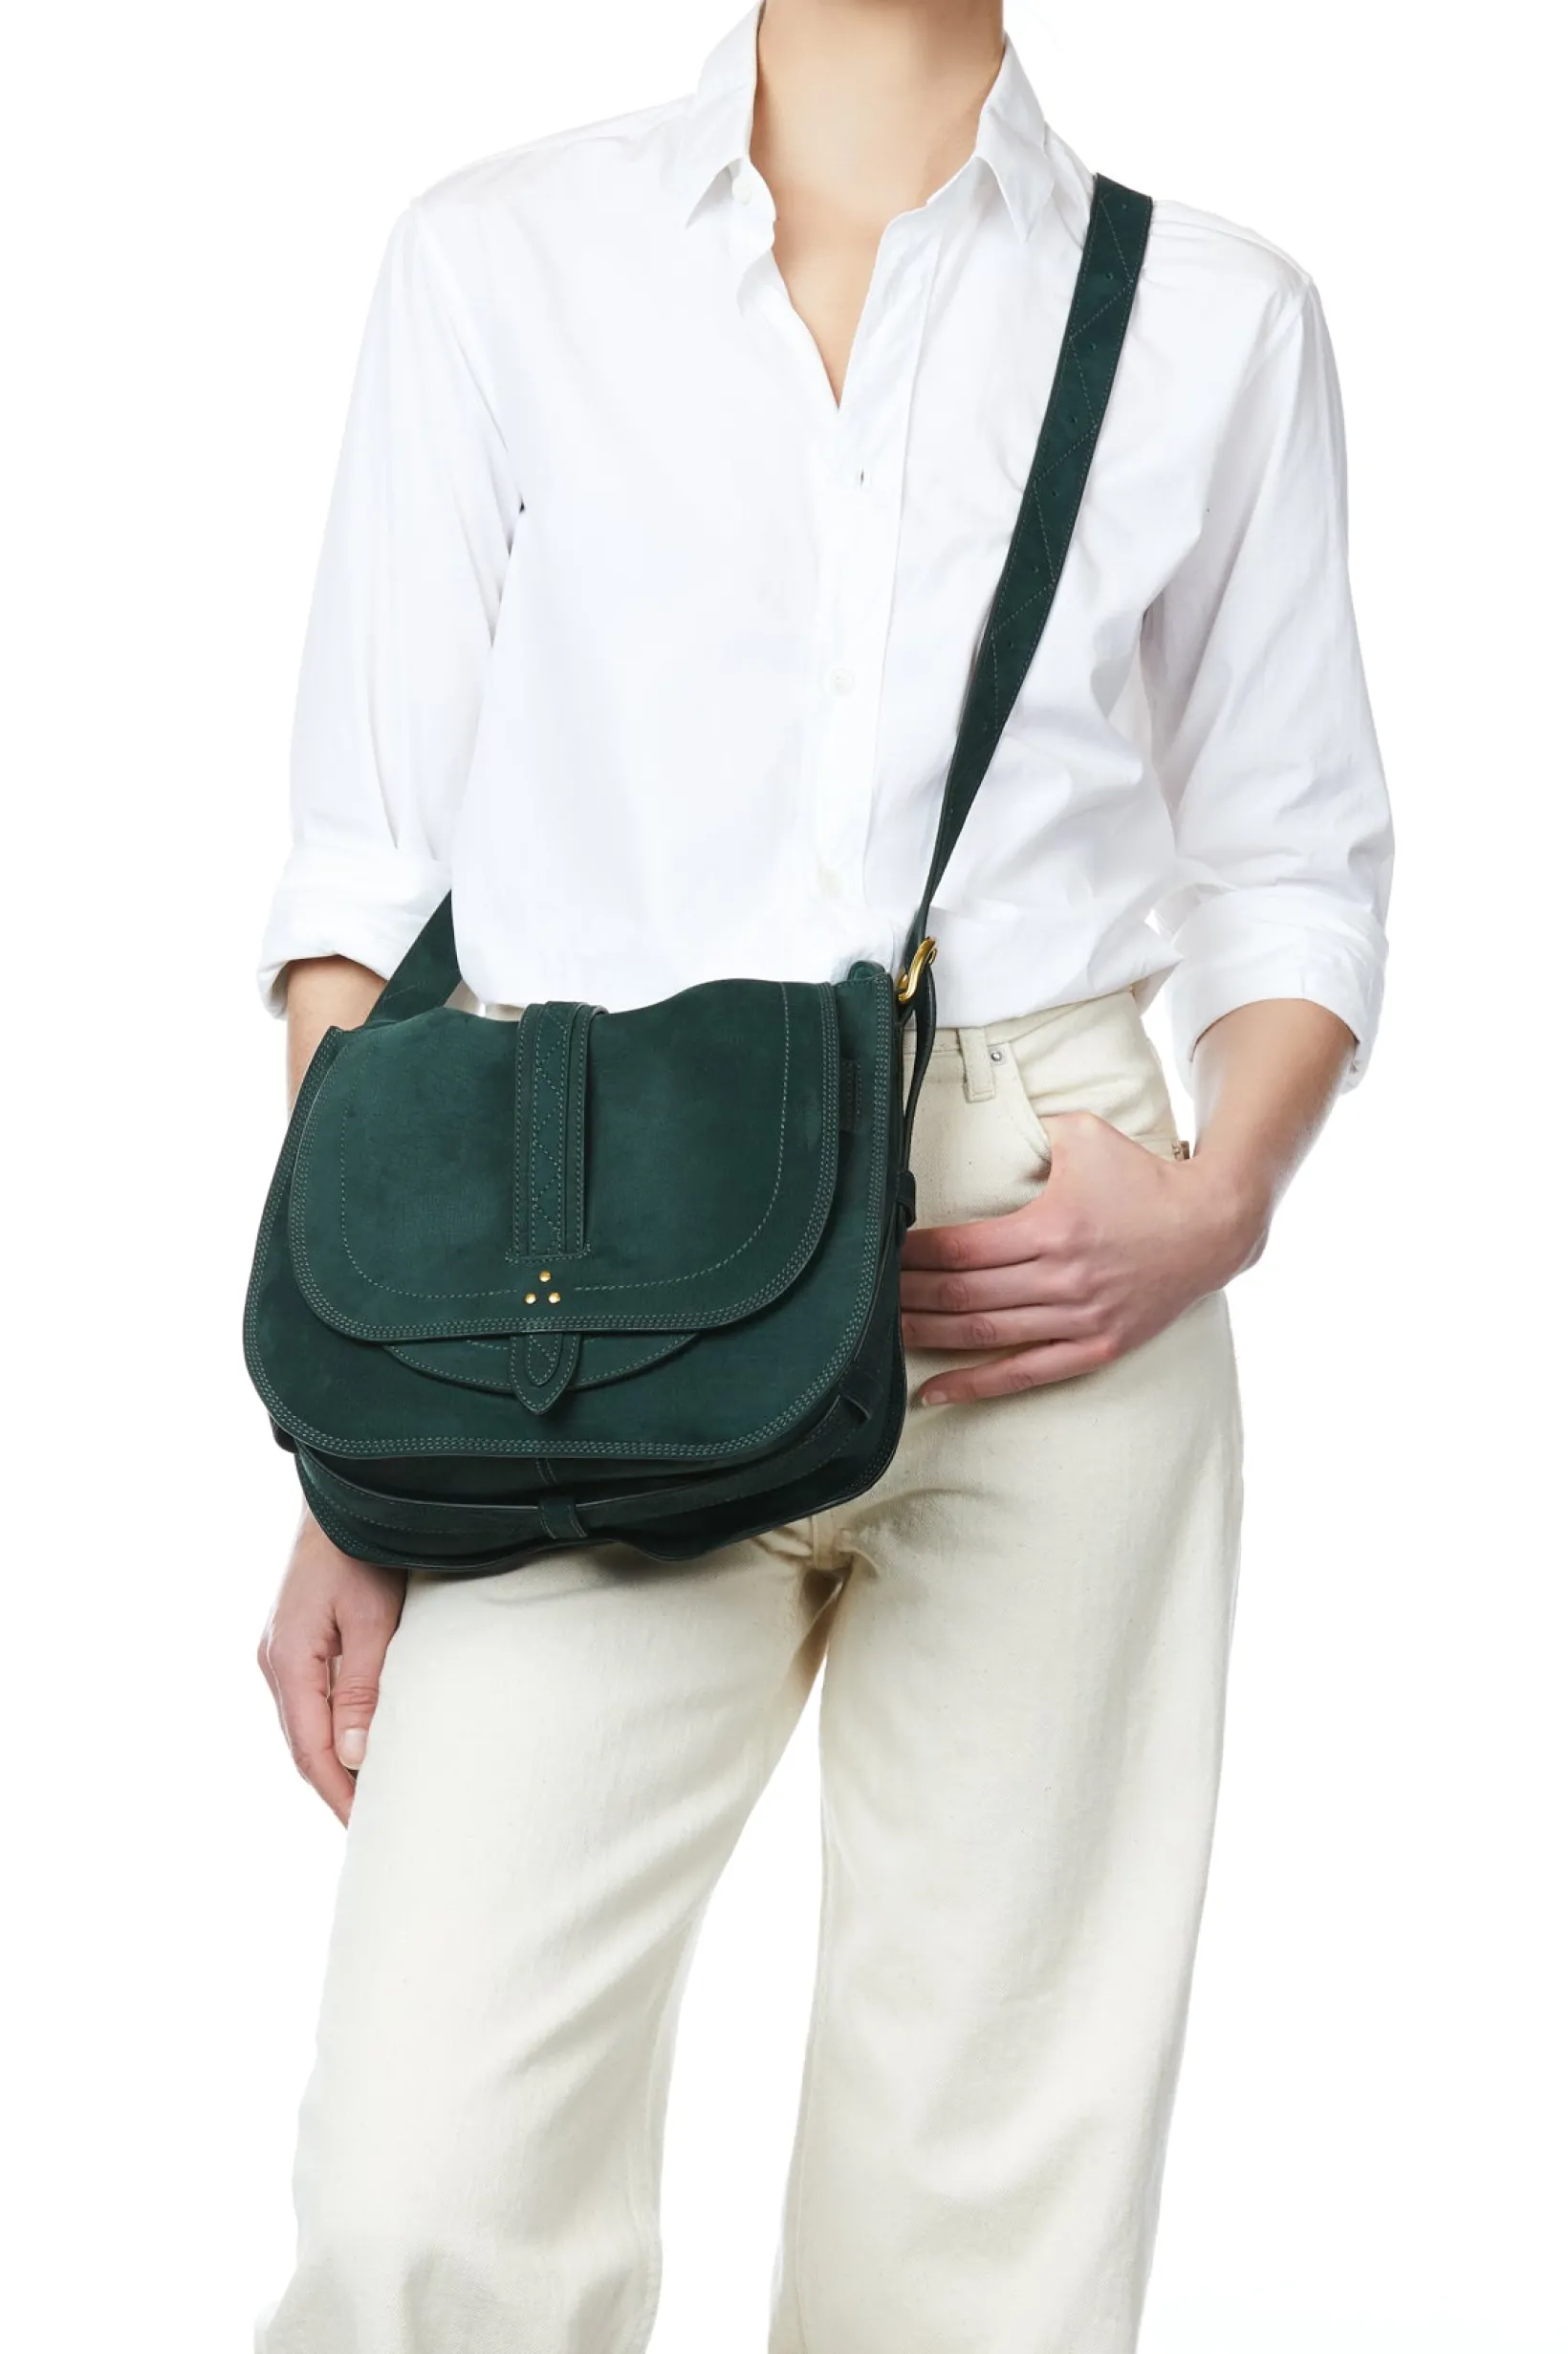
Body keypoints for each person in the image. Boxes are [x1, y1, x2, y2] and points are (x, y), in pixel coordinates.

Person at [251, 2, 1392, 2347]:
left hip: (1052, 1249)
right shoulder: (497, 256)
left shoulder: (1215, 315)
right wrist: (366, 1436)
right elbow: (361, 897)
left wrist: (1217, 1203)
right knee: (419, 2198)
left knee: (983, 2220)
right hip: (574, 1277)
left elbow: (1294, 870)